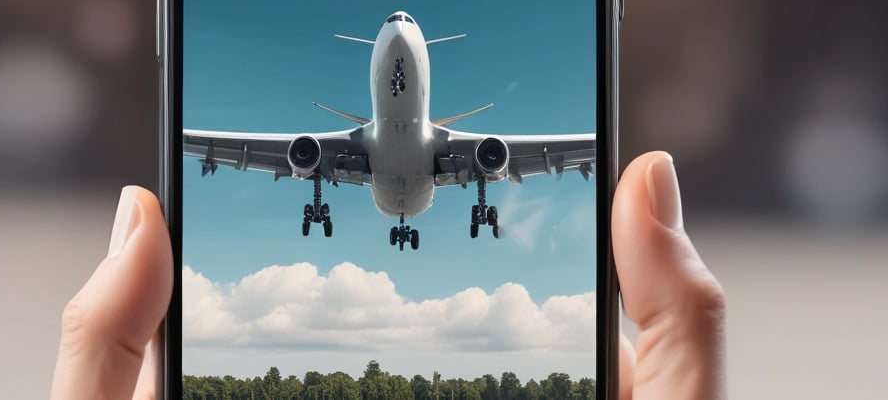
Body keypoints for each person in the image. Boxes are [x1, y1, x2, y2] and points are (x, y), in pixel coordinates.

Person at [48, 151, 727, 400]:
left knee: (485, 197)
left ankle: (479, 215)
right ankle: (321, 211)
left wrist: (486, 159)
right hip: (368, 187)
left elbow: (550, 158)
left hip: (433, 191)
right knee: (313, 191)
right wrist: (307, 159)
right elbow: (233, 154)